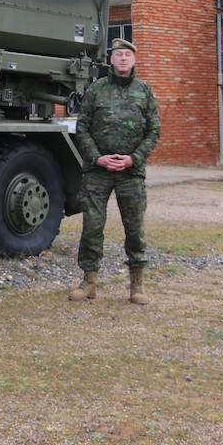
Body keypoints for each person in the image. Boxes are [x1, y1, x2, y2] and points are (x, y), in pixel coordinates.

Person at [69, 38, 161, 305]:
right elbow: (82, 128)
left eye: (127, 55)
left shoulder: (144, 91)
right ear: (111, 60)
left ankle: (137, 285)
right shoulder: (96, 89)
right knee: (92, 227)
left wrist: (134, 159)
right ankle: (88, 283)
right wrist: (97, 158)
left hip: (130, 173)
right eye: (118, 54)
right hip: (98, 172)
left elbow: (154, 131)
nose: (123, 58)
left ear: (134, 60)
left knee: (134, 228)